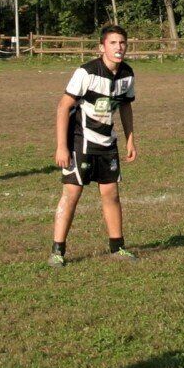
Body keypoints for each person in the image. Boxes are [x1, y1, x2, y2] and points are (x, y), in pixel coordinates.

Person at [52, 25, 138, 264]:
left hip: (107, 142)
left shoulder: (127, 74)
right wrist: (61, 146)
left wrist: (130, 138)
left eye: (122, 43)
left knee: (111, 193)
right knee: (72, 193)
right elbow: (63, 106)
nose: (118, 47)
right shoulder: (86, 72)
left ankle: (117, 247)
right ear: (102, 47)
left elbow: (125, 106)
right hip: (81, 140)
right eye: (113, 43)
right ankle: (57, 251)